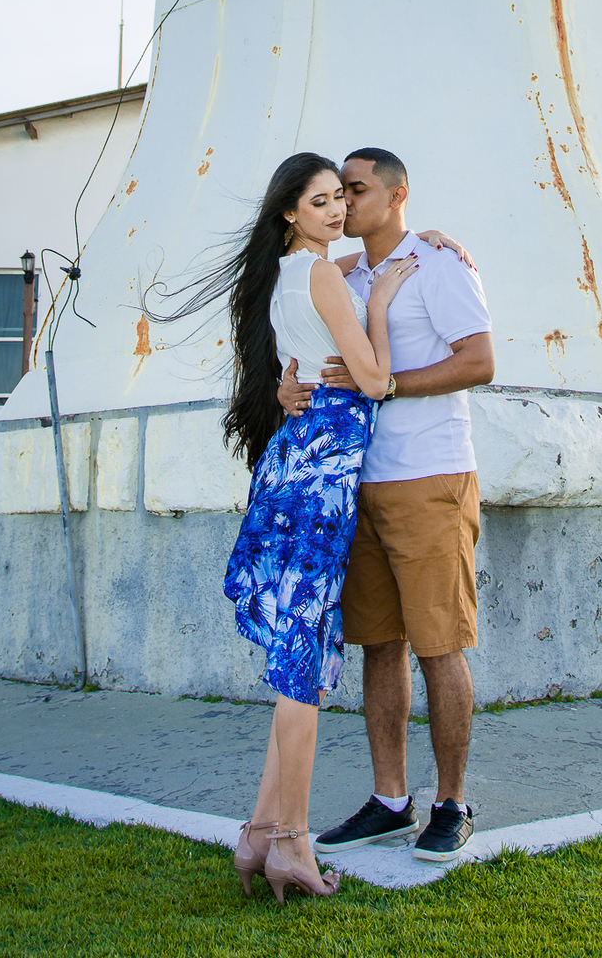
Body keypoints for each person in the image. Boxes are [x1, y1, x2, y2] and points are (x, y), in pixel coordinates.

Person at [149, 151, 420, 904]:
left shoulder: (284, 277)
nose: (336, 211)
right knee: (303, 666)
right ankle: (292, 842)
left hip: (292, 467)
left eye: (340, 198)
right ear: (290, 213)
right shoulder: (324, 277)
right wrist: (380, 306)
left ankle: (260, 833)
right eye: (320, 201)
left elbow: (301, 360)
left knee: (299, 656)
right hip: (320, 480)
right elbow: (375, 381)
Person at [278, 146, 494, 863]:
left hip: (429, 477)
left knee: (439, 644)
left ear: (399, 196)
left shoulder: (440, 265)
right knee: (380, 645)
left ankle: (452, 802)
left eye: (357, 189)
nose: (344, 203)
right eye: (336, 192)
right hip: (356, 484)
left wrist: (390, 384)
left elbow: (479, 361)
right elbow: (305, 315)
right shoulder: (347, 274)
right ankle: (391, 800)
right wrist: (286, 388)